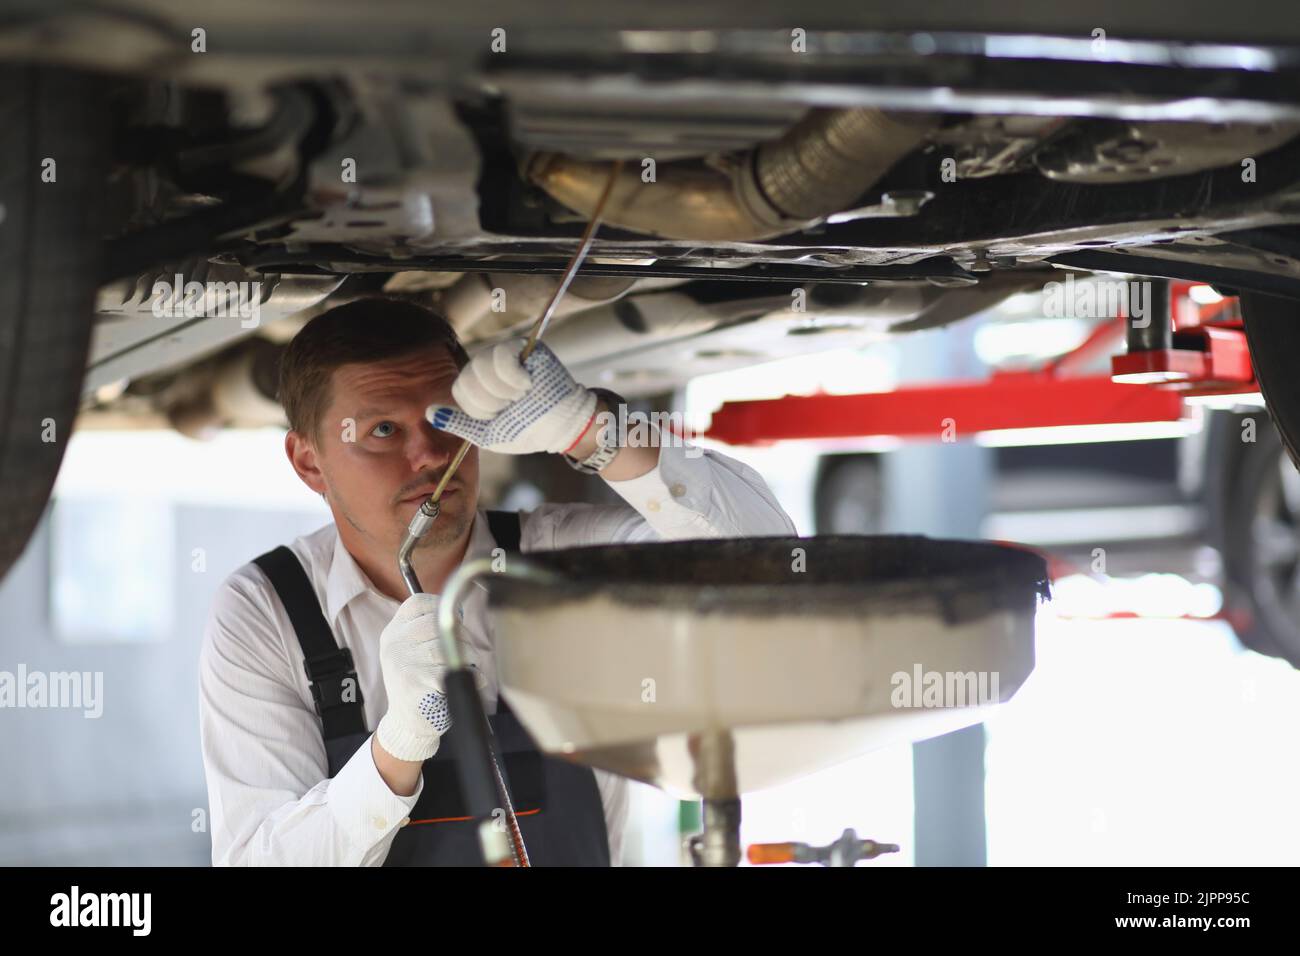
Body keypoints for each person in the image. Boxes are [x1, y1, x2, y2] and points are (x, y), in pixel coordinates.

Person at [198, 297, 796, 866]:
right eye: (383, 431)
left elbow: (771, 572)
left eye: (444, 420)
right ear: (308, 462)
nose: (430, 456)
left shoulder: (561, 562)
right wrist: (396, 747)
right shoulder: (268, 612)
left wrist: (594, 431)